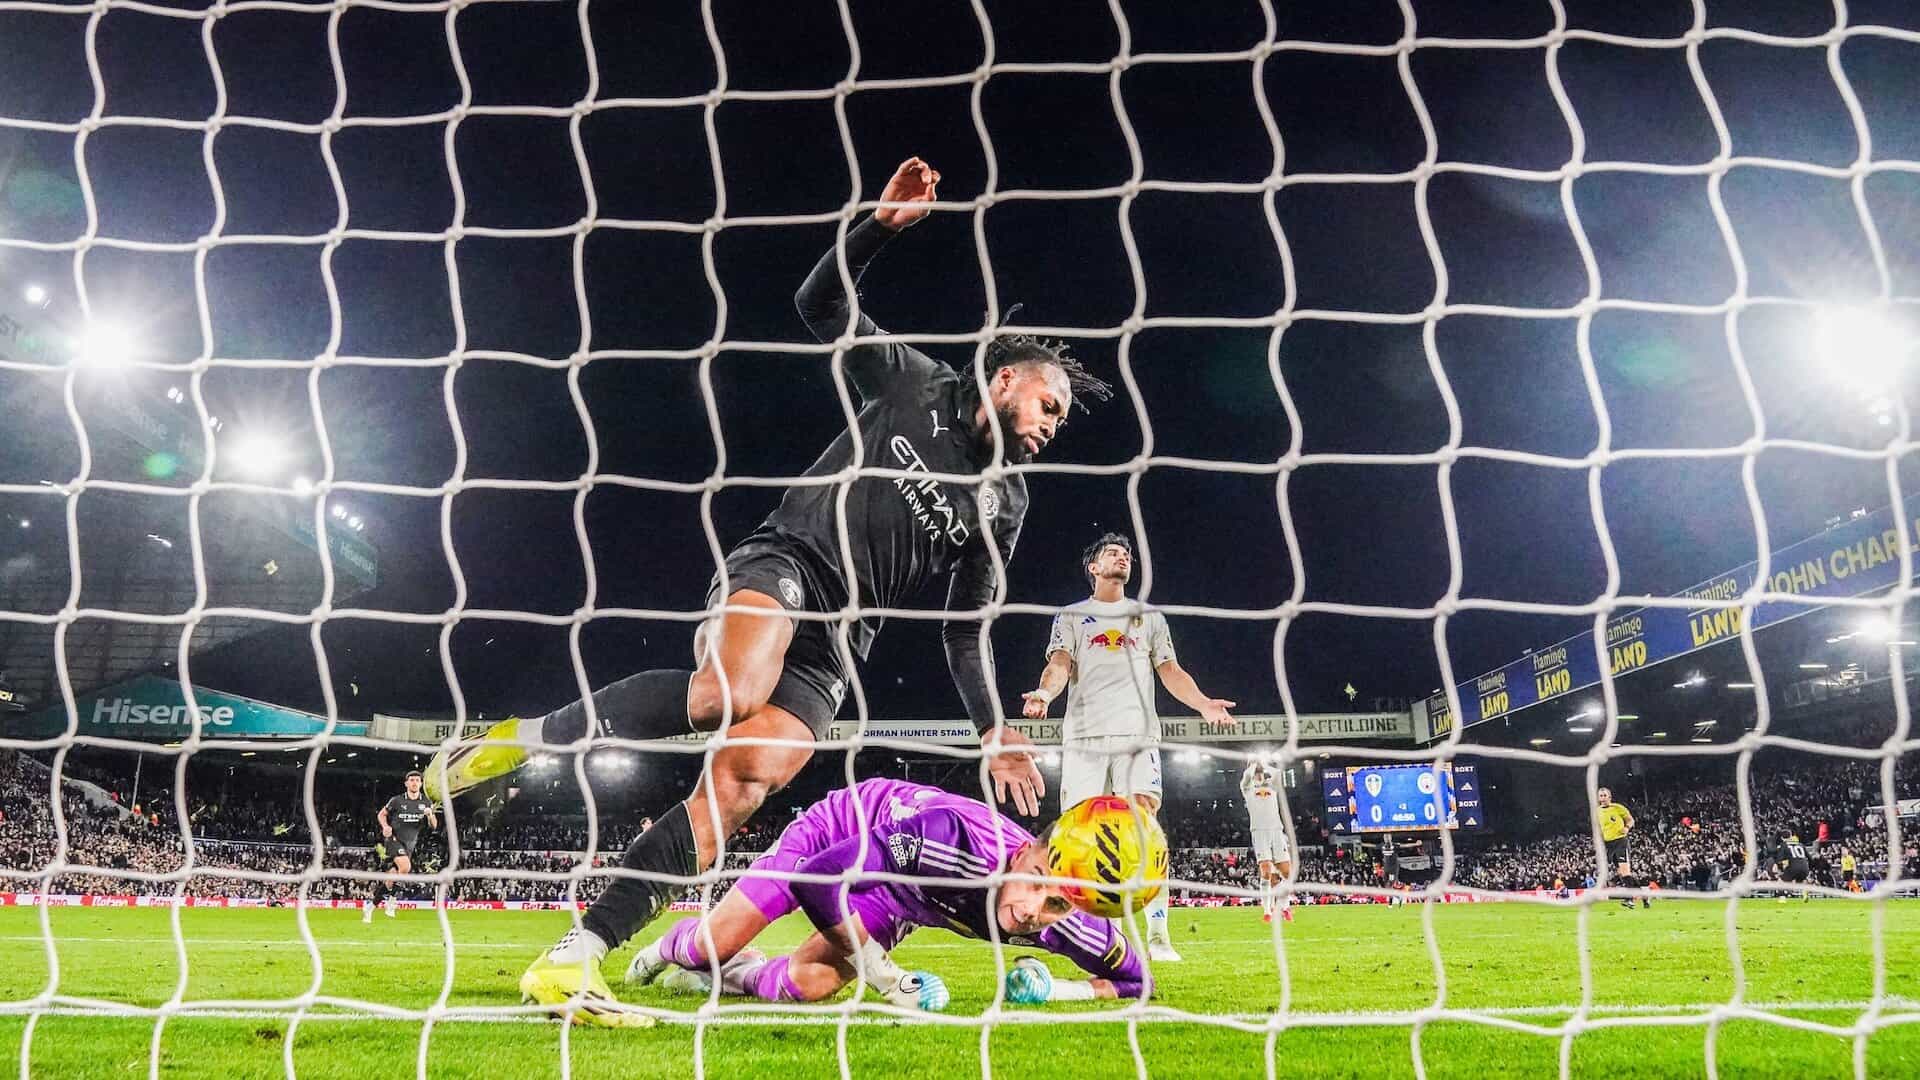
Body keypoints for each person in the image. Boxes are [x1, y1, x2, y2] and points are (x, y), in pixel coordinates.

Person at [429, 156, 1114, 1025]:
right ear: (1005, 381)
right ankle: (522, 738)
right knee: (729, 693)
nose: (1052, 427)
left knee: (744, 782)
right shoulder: (917, 385)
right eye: (1050, 405)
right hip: (785, 560)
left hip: (841, 641)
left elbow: (962, 628)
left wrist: (994, 733)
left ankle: (577, 959)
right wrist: (877, 229)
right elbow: (818, 306)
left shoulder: (1004, 502)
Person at [613, 778, 1154, 1013]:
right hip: (843, 834)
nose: (1034, 911)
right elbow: (819, 878)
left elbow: (1137, 980)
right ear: (1021, 855)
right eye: (1036, 882)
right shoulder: (954, 840)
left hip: (903, 892)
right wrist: (889, 979)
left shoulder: (1070, 912)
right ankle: (672, 949)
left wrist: (1058, 991)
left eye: (1057, 903)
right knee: (715, 942)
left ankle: (727, 977)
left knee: (807, 985)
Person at [1022, 531, 1234, 961]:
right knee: (1080, 834)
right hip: (1084, 737)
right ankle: (1108, 936)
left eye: (1128, 554)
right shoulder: (1071, 616)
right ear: (1094, 568)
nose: (1124, 557)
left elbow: (1170, 670)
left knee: (1145, 822)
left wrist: (1204, 703)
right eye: (1113, 553)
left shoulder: (1148, 617)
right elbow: (1059, 663)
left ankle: (1158, 935)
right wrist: (1045, 695)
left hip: (1137, 735)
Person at [367, 770, 437, 923]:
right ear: (406, 783)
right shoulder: (397, 801)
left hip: (410, 844)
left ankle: (370, 907)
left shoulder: (426, 803)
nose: (414, 782)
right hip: (394, 839)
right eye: (411, 780)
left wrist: (430, 815)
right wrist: (385, 827)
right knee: (405, 867)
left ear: (421, 783)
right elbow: (381, 814)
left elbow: (434, 826)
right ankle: (392, 902)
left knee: (391, 878)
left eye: (417, 780)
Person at [1240, 760, 1294, 923]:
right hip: (1259, 832)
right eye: (1256, 769)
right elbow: (1246, 776)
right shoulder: (1247, 787)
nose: (1258, 771)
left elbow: (1278, 774)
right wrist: (1252, 765)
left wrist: (1264, 764)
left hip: (1276, 831)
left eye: (1259, 769)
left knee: (1286, 872)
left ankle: (1285, 907)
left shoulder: (1271, 785)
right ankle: (1267, 911)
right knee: (1265, 871)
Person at [1596, 786, 1643, 910]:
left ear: (1610, 797)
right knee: (1623, 874)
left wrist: (1627, 828)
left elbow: (1630, 820)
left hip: (1620, 841)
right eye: (1601, 796)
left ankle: (1630, 899)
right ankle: (1644, 895)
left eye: (1605, 795)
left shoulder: (1618, 808)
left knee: (1625, 872)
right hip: (1609, 844)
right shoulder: (1597, 811)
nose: (1603, 798)